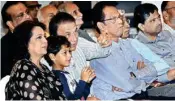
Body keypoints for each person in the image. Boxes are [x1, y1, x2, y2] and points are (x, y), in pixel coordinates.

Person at [91, 1, 175, 100]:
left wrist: (134, 74)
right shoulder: (101, 51)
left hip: (141, 93)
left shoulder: (127, 43)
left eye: (119, 17)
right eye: (113, 19)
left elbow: (153, 69)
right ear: (101, 26)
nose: (120, 22)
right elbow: (128, 85)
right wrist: (143, 78)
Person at [5, 21, 65, 100]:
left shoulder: (44, 68)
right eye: (39, 37)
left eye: (44, 36)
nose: (45, 41)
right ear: (26, 43)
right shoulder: (23, 67)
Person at [134, 3, 175, 98]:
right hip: (160, 86)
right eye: (153, 20)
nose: (159, 22)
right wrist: (170, 75)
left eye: (158, 18)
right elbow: (145, 77)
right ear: (141, 26)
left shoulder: (167, 35)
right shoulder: (136, 46)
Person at [1, 1, 32, 78]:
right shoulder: (4, 47)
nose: (28, 16)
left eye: (27, 12)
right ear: (10, 24)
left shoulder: (38, 36)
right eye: (20, 15)